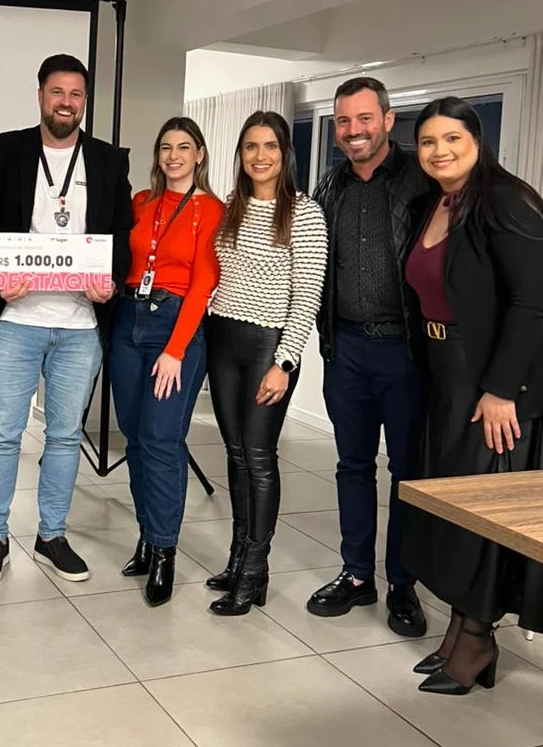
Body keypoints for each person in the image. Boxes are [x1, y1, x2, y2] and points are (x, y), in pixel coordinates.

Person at [0, 53, 132, 587]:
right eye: (57, 92)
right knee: (3, 432)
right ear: (41, 96)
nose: (67, 102)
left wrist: (110, 280)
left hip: (81, 324)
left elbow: (122, 238)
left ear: (85, 101)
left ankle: (51, 534)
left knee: (63, 437)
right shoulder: (5, 150)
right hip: (18, 317)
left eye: (76, 94)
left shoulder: (107, 161)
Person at [402, 97, 543, 695]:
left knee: (482, 515)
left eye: (452, 139)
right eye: (429, 141)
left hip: (490, 383)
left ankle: (477, 642)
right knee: (455, 511)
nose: (440, 151)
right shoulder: (436, 201)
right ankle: (461, 631)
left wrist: (499, 391)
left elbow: (534, 302)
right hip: (446, 373)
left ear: (478, 140)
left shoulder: (505, 200)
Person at [307, 76, 432, 637]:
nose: (353, 131)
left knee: (407, 472)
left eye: (363, 119)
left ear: (387, 119)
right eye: (343, 121)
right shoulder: (328, 187)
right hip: (347, 348)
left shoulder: (422, 182)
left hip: (405, 350)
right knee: (352, 465)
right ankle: (357, 575)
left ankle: (403, 583)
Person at [205, 111, 327, 616]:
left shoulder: (304, 212)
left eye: (270, 146)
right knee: (234, 453)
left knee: (258, 457)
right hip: (222, 339)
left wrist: (285, 361)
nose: (260, 156)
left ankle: (255, 572)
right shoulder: (230, 207)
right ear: (240, 154)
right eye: (250, 146)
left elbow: (308, 296)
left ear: (285, 153)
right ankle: (238, 559)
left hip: (267, 347)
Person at [109, 117, 223, 607]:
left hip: (175, 326)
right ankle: (146, 532)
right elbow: (121, 257)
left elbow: (203, 283)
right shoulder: (141, 203)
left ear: (199, 154)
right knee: (134, 438)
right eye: (164, 147)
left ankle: (165, 550)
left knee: (162, 440)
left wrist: (176, 349)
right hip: (128, 319)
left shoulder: (214, 210)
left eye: (183, 147)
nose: (173, 156)